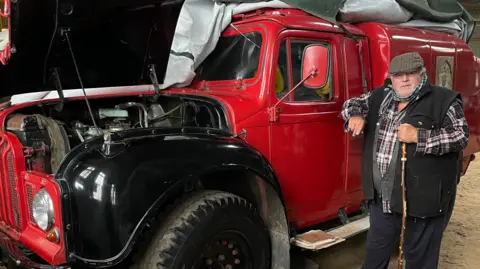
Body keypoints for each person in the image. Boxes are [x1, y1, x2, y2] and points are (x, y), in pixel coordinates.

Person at [340, 52, 469, 269]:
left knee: (420, 260)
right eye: (399, 75)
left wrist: (418, 136)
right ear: (391, 77)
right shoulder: (381, 96)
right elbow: (351, 103)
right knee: (374, 257)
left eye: (411, 74)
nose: (405, 79)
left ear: (422, 74)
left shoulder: (443, 100)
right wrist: (355, 114)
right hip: (383, 199)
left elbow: (460, 135)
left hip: (423, 199)